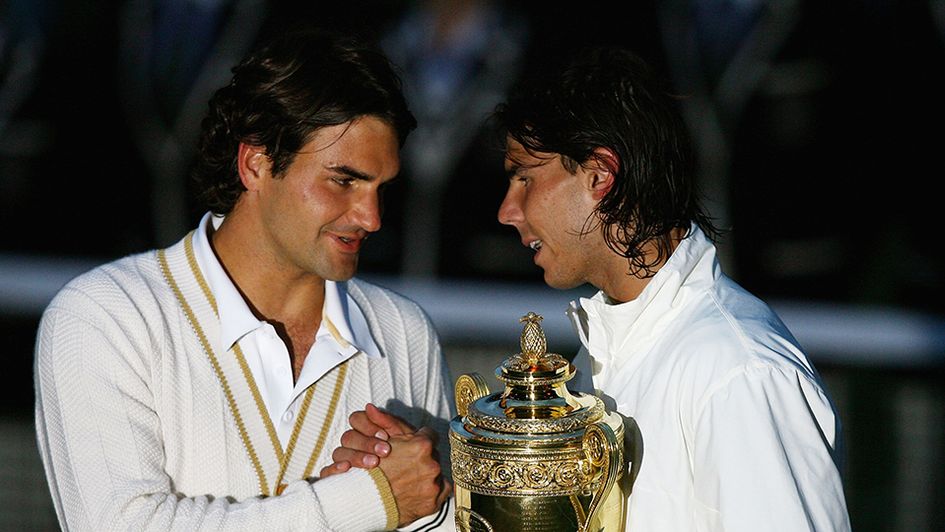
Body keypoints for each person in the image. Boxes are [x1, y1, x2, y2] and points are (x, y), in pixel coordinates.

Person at [336, 45, 852, 531]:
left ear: (600, 175)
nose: (506, 211)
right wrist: (436, 491)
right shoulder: (605, 353)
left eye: (525, 177)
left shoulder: (736, 369)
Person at [33, 27, 455, 531]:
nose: (371, 217)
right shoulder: (103, 316)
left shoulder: (403, 333)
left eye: (381, 187)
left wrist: (431, 506)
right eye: (343, 181)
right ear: (255, 163)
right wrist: (369, 500)